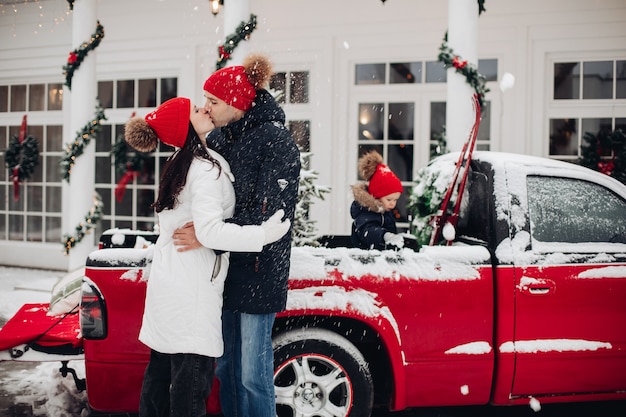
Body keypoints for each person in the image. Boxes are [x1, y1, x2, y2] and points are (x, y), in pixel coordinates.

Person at [124, 96, 291, 417]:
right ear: (184, 126)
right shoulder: (204, 170)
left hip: (171, 286)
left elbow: (200, 229)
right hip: (192, 294)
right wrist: (264, 234)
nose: (204, 108)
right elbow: (212, 232)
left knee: (159, 384)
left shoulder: (182, 161)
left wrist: (204, 233)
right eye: (195, 110)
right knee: (188, 393)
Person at [172, 54, 300, 417]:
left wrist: (208, 234)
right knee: (227, 368)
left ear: (236, 103)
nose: (207, 108)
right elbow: (211, 196)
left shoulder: (276, 141)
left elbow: (272, 214)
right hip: (224, 269)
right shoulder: (224, 138)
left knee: (252, 375)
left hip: (260, 270)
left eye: (213, 101)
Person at [350, 150, 405, 250]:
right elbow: (367, 231)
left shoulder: (385, 212)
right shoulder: (365, 212)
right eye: (389, 199)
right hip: (366, 259)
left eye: (395, 200)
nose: (393, 203)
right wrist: (385, 236)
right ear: (377, 197)